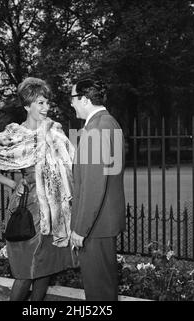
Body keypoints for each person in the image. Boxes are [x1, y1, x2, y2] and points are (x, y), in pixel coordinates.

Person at [0, 77, 75, 301]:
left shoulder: (54, 132)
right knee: (26, 271)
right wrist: (12, 183)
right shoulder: (15, 135)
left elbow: (72, 163)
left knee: (46, 269)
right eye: (40, 103)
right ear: (27, 106)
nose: (46, 108)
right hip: (29, 209)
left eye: (47, 103)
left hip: (55, 211)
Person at [70, 78, 126, 301]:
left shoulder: (96, 129)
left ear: (84, 99)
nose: (71, 103)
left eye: (73, 98)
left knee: (98, 293)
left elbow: (94, 186)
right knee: (104, 289)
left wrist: (80, 228)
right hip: (104, 221)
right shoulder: (110, 122)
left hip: (95, 226)